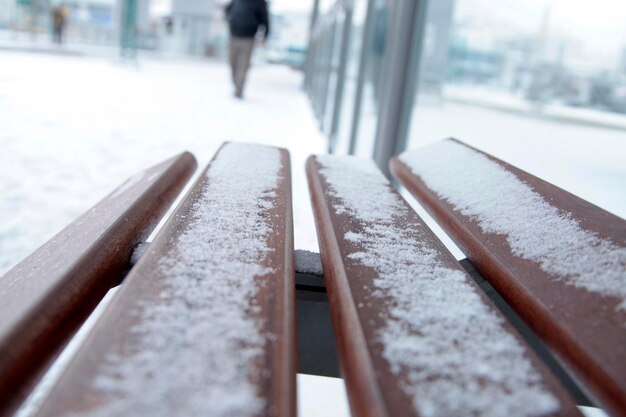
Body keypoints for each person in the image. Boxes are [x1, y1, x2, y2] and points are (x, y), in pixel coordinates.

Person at [225, 0, 270, 99]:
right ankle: (236, 85)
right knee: (233, 63)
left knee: (243, 65)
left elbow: (265, 19)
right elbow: (227, 9)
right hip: (234, 35)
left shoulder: (260, 2)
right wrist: (230, 21)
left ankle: (239, 90)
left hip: (248, 38)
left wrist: (265, 35)